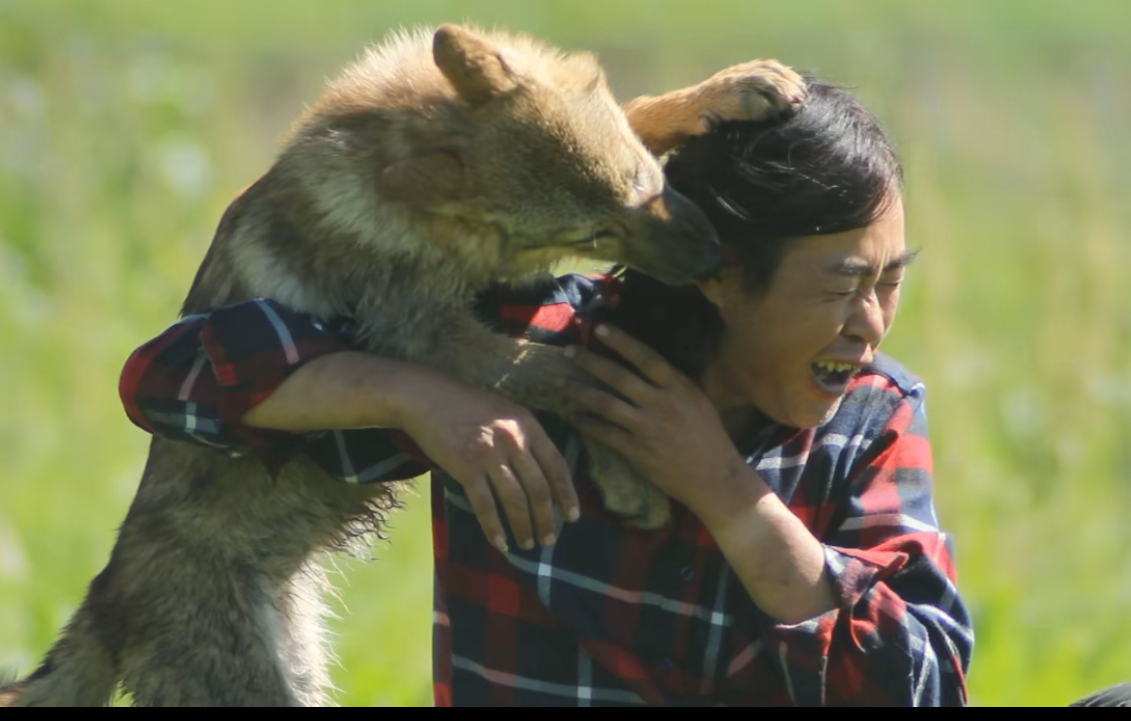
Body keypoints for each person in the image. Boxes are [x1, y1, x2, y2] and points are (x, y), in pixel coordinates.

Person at [119, 76, 973, 706]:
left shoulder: (874, 416)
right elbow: (170, 380)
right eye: (842, 284)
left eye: (889, 281)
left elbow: (923, 686)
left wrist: (723, 490)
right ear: (717, 272)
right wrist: (421, 398)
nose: (871, 323)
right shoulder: (521, 357)